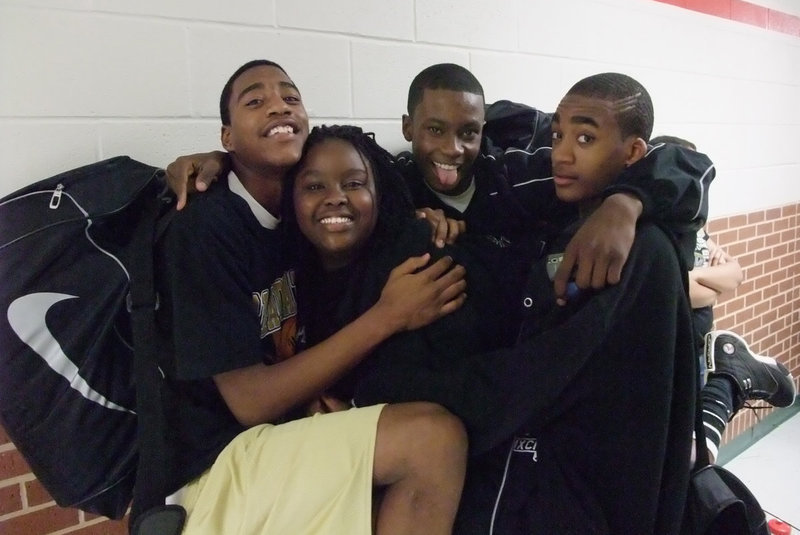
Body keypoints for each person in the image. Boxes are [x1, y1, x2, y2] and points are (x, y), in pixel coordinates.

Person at [275, 101, 693, 533]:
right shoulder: (289, 268)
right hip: (437, 429)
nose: (335, 197)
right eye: (313, 187)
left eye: (354, 183)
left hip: (506, 428)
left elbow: (681, 159)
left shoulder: (428, 250)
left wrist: (625, 203)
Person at [154, 59, 473, 535]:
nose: (278, 105)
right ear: (227, 136)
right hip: (213, 463)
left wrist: (421, 215)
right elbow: (249, 402)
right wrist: (389, 315)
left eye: (290, 96)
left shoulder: (292, 219)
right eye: (255, 101)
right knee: (432, 441)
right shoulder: (205, 229)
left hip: (277, 433)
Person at [167, 63, 715, 304]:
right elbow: (309, 161)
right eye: (434, 130)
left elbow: (680, 159)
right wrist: (222, 157)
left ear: (484, 134)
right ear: (408, 129)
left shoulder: (522, 174)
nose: (452, 148)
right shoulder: (389, 184)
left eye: (468, 133)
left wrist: (625, 203)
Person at [651, 134, 796, 462]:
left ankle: (729, 372)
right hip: (667, 345)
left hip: (697, 344)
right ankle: (732, 372)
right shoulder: (657, 229)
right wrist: (703, 282)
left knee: (690, 437)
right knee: (674, 445)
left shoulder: (696, 227)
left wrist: (699, 279)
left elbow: (733, 276)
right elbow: (677, 292)